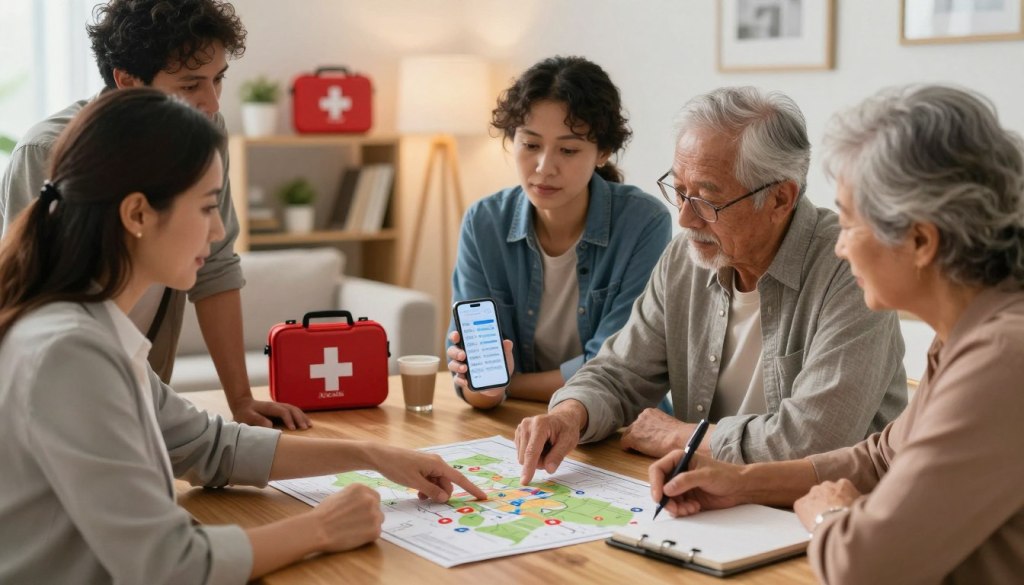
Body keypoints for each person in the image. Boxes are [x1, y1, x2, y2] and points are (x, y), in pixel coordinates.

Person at [0, 88, 487, 584]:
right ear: (138, 215)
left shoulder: (91, 331)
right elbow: (171, 564)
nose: (216, 234)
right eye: (208, 207)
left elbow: (209, 447)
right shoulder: (70, 352)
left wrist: (371, 455)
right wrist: (322, 527)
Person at [650, 85, 1024, 584]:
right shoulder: (968, 331)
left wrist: (829, 513)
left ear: (919, 241)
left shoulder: (1003, 359)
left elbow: (863, 566)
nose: (841, 248)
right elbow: (880, 456)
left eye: (849, 223)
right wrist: (742, 482)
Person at [515, 87, 908, 485]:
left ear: (779, 199)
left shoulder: (851, 269)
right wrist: (569, 415)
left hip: (830, 513)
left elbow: (813, 441)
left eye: (706, 199)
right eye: (679, 190)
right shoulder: (685, 259)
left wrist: (683, 437)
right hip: (709, 498)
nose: (685, 218)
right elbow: (618, 373)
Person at [0, 0, 310, 429]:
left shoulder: (205, 133)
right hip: (61, 394)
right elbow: (32, 295)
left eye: (218, 79)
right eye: (189, 85)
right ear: (127, 81)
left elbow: (216, 264)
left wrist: (241, 399)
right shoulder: (47, 153)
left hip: (145, 393)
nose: (212, 103)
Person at [446, 56, 671, 409]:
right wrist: (487, 387)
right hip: (516, 425)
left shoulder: (643, 222)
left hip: (616, 424)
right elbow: (479, 386)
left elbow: (614, 369)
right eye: (531, 145)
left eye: (568, 150)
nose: (544, 167)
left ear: (603, 152)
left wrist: (511, 384)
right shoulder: (484, 223)